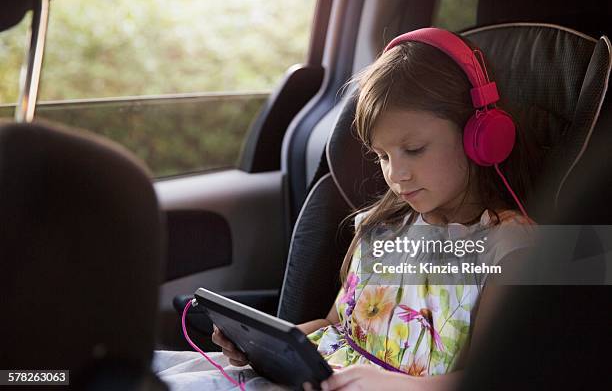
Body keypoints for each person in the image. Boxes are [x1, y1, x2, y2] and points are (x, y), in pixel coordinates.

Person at [153, 27, 537, 391]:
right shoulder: (382, 228)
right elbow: (337, 327)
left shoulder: (507, 247)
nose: (396, 174)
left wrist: (397, 386)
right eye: (382, 156)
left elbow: (496, 378)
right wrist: (262, 346)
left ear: (479, 136)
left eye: (415, 149)